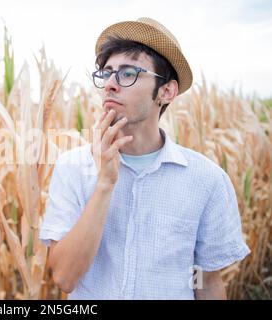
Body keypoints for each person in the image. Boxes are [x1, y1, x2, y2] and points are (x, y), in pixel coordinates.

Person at [39, 17, 250, 300]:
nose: (110, 84)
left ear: (166, 91)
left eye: (128, 73)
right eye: (107, 73)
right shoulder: (72, 168)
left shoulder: (207, 181)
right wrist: (104, 185)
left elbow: (207, 283)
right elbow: (64, 277)